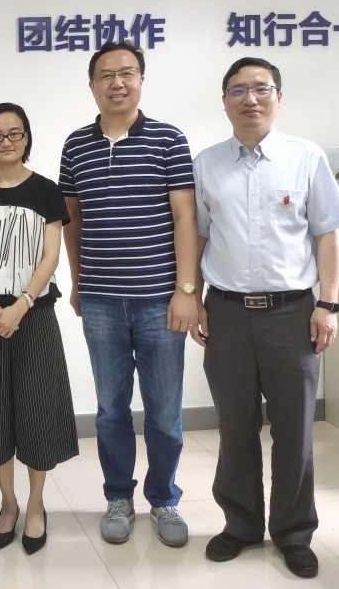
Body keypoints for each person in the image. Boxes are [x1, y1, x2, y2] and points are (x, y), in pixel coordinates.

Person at [192, 57, 339, 580]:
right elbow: (197, 236)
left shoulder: (306, 157)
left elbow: (327, 236)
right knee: (235, 427)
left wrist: (328, 304)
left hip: (293, 315)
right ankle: (240, 525)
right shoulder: (206, 163)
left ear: (278, 97)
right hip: (227, 312)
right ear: (224, 101)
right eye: (238, 90)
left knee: (294, 430)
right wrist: (193, 298)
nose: (250, 99)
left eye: (261, 88)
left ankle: (293, 532)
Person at [59, 41, 198, 548]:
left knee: (164, 411)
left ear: (141, 79)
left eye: (127, 72)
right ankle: (118, 497)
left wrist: (187, 290)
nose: (117, 82)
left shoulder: (168, 139)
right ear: (91, 84)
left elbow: (185, 217)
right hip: (100, 302)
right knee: (111, 410)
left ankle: (164, 499)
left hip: (160, 300)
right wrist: (78, 282)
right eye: (106, 74)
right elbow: (72, 221)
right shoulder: (76, 146)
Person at [0, 103, 78, 555]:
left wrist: (21, 305)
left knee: (38, 408)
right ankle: (8, 502)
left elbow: (51, 255)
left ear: (27, 138)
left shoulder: (46, 190)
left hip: (35, 315)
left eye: (15, 133)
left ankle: (37, 504)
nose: (6, 141)